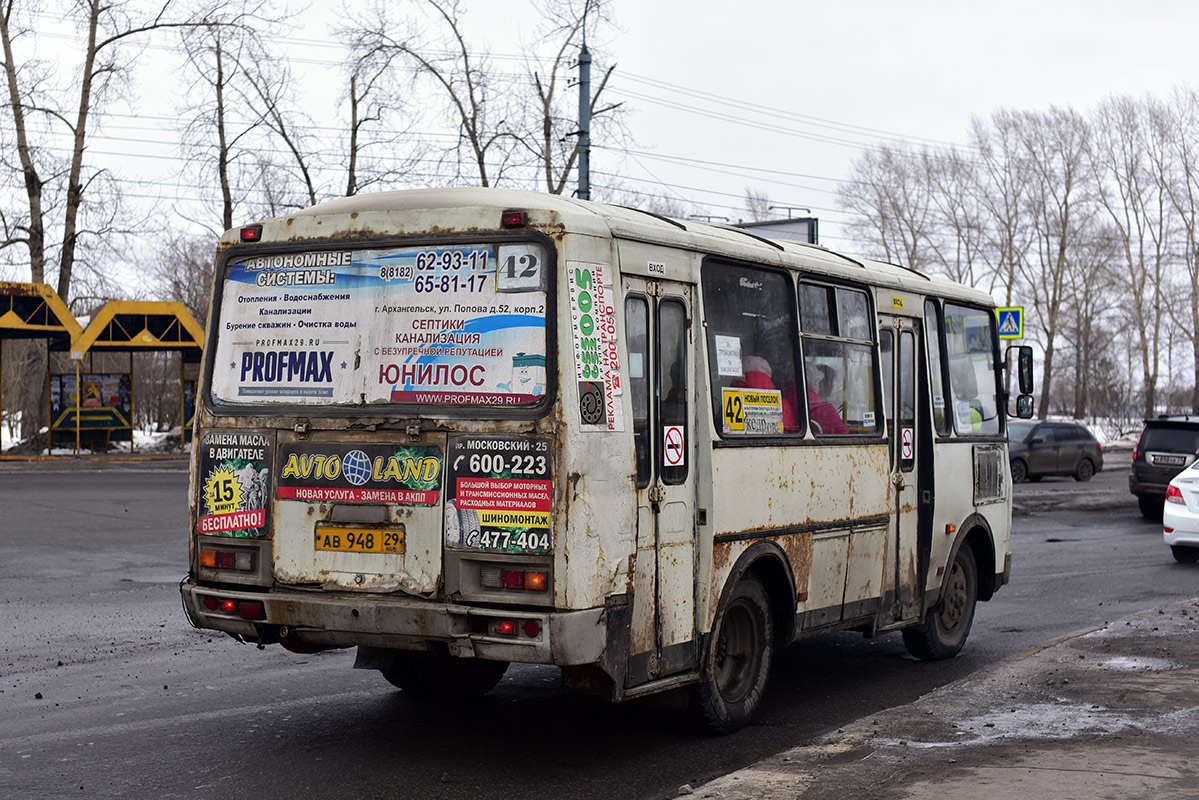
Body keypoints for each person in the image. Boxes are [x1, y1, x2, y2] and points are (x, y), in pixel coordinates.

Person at [807, 364, 848, 434]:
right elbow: (846, 438)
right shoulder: (825, 411)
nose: (832, 385)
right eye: (831, 382)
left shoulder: (798, 401)